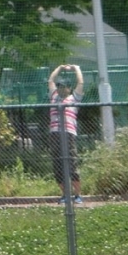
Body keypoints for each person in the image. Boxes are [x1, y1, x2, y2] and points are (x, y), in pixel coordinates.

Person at [48, 64, 84, 204]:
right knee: (58, 165)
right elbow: (51, 80)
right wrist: (59, 68)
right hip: (55, 134)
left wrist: (76, 69)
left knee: (72, 164)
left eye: (64, 87)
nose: (61, 89)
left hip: (68, 134)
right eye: (59, 86)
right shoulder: (54, 97)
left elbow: (80, 83)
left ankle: (77, 195)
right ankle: (65, 195)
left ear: (69, 88)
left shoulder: (74, 98)